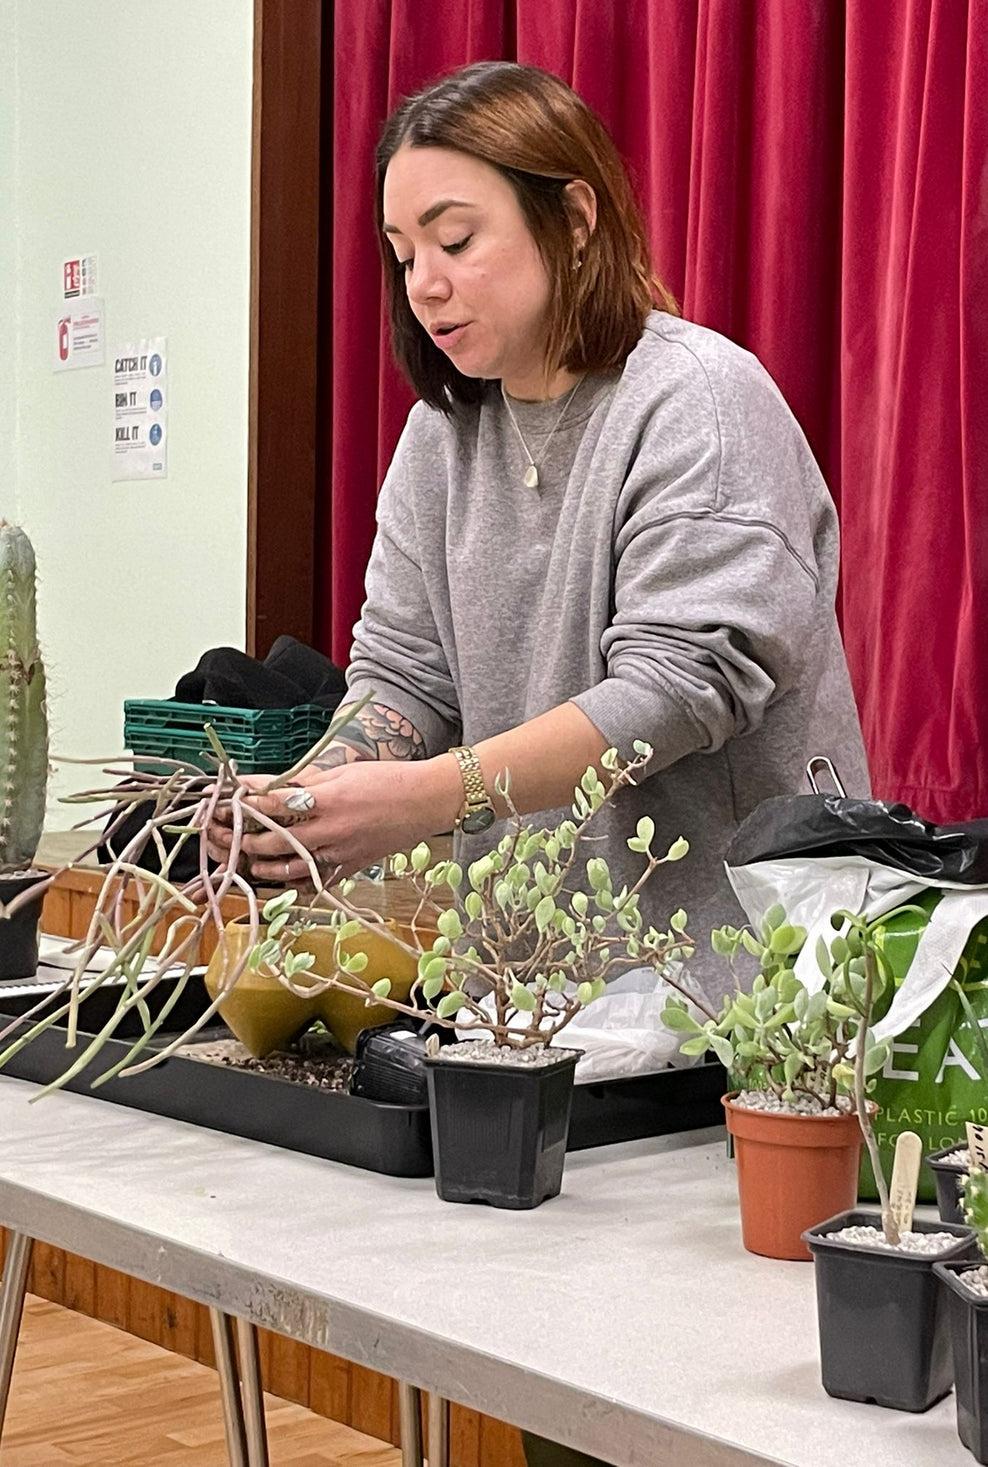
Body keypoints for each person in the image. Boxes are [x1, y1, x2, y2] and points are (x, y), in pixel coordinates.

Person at [207, 58, 869, 1467]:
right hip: (538, 1024)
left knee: (685, 1412)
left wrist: (423, 799)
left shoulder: (698, 399)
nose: (427, 285)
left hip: (735, 1034)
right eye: (404, 254)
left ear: (573, 219)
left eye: (457, 239)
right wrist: (315, 793)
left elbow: (684, 686)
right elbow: (399, 676)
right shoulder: (441, 437)